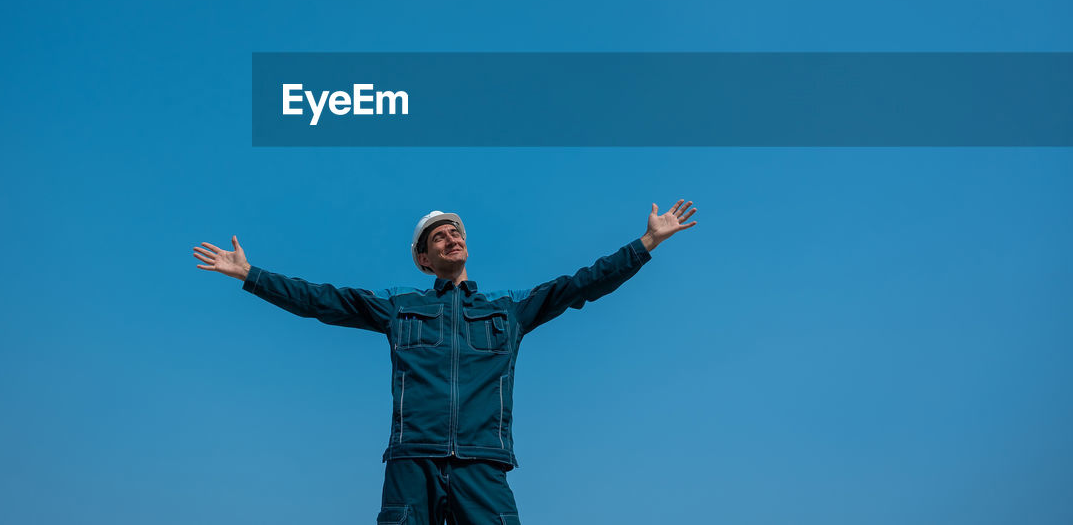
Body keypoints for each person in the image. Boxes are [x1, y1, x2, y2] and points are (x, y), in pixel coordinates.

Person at [193, 200, 698, 524]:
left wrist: (646, 243)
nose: (451, 237)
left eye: (456, 231)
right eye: (439, 236)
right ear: (423, 259)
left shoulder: (507, 308)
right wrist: (251, 275)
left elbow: (581, 285)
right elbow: (322, 299)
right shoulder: (399, 305)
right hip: (413, 459)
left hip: (484, 463)